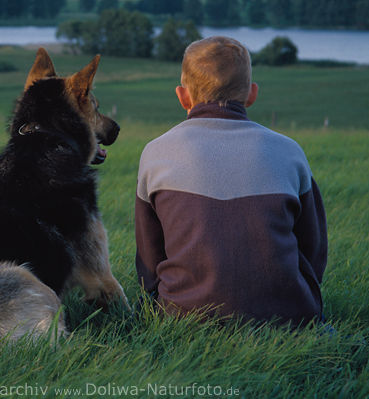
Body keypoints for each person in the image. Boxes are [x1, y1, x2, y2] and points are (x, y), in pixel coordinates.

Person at [135, 36, 327, 325]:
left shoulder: (156, 152)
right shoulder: (289, 151)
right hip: (290, 314)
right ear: (252, 93)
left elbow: (149, 258)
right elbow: (313, 249)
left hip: (181, 314)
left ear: (182, 96)